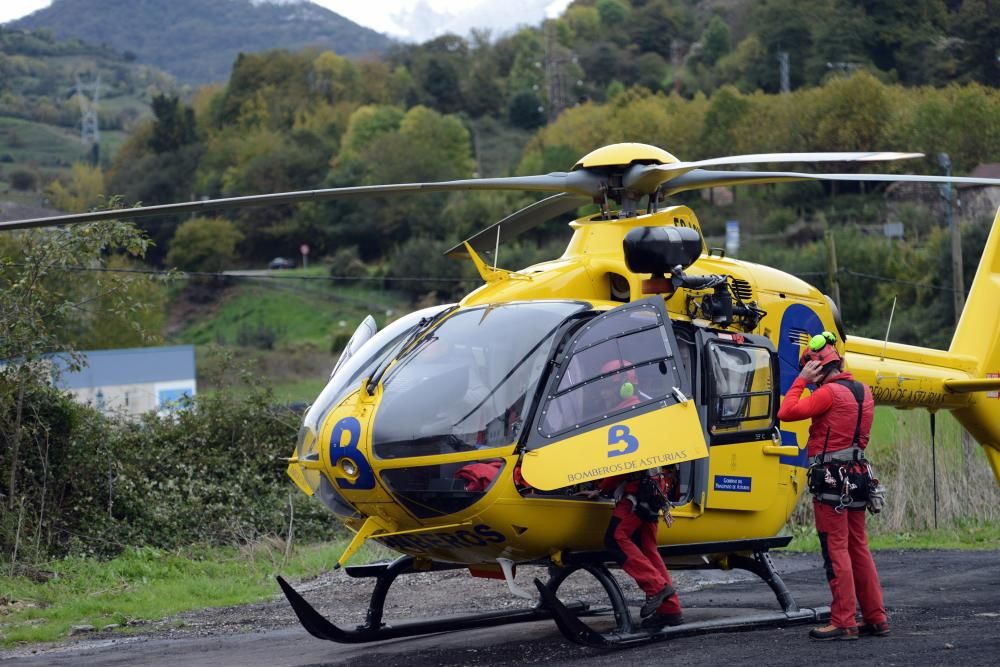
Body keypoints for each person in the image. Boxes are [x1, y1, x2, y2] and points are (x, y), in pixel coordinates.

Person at [777, 332, 889, 641]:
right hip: (859, 477)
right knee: (859, 547)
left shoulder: (828, 394)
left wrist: (800, 381)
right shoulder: (864, 391)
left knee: (836, 548)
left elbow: (786, 413)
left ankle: (843, 620)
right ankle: (876, 617)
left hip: (831, 481)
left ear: (816, 367)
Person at [580, 359, 683, 630]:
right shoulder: (646, 409)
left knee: (616, 538)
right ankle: (671, 610)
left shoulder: (627, 414)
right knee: (648, 548)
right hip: (654, 492)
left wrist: (600, 488)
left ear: (624, 388)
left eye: (606, 389)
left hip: (638, 493)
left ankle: (655, 588)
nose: (602, 394)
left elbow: (623, 462)